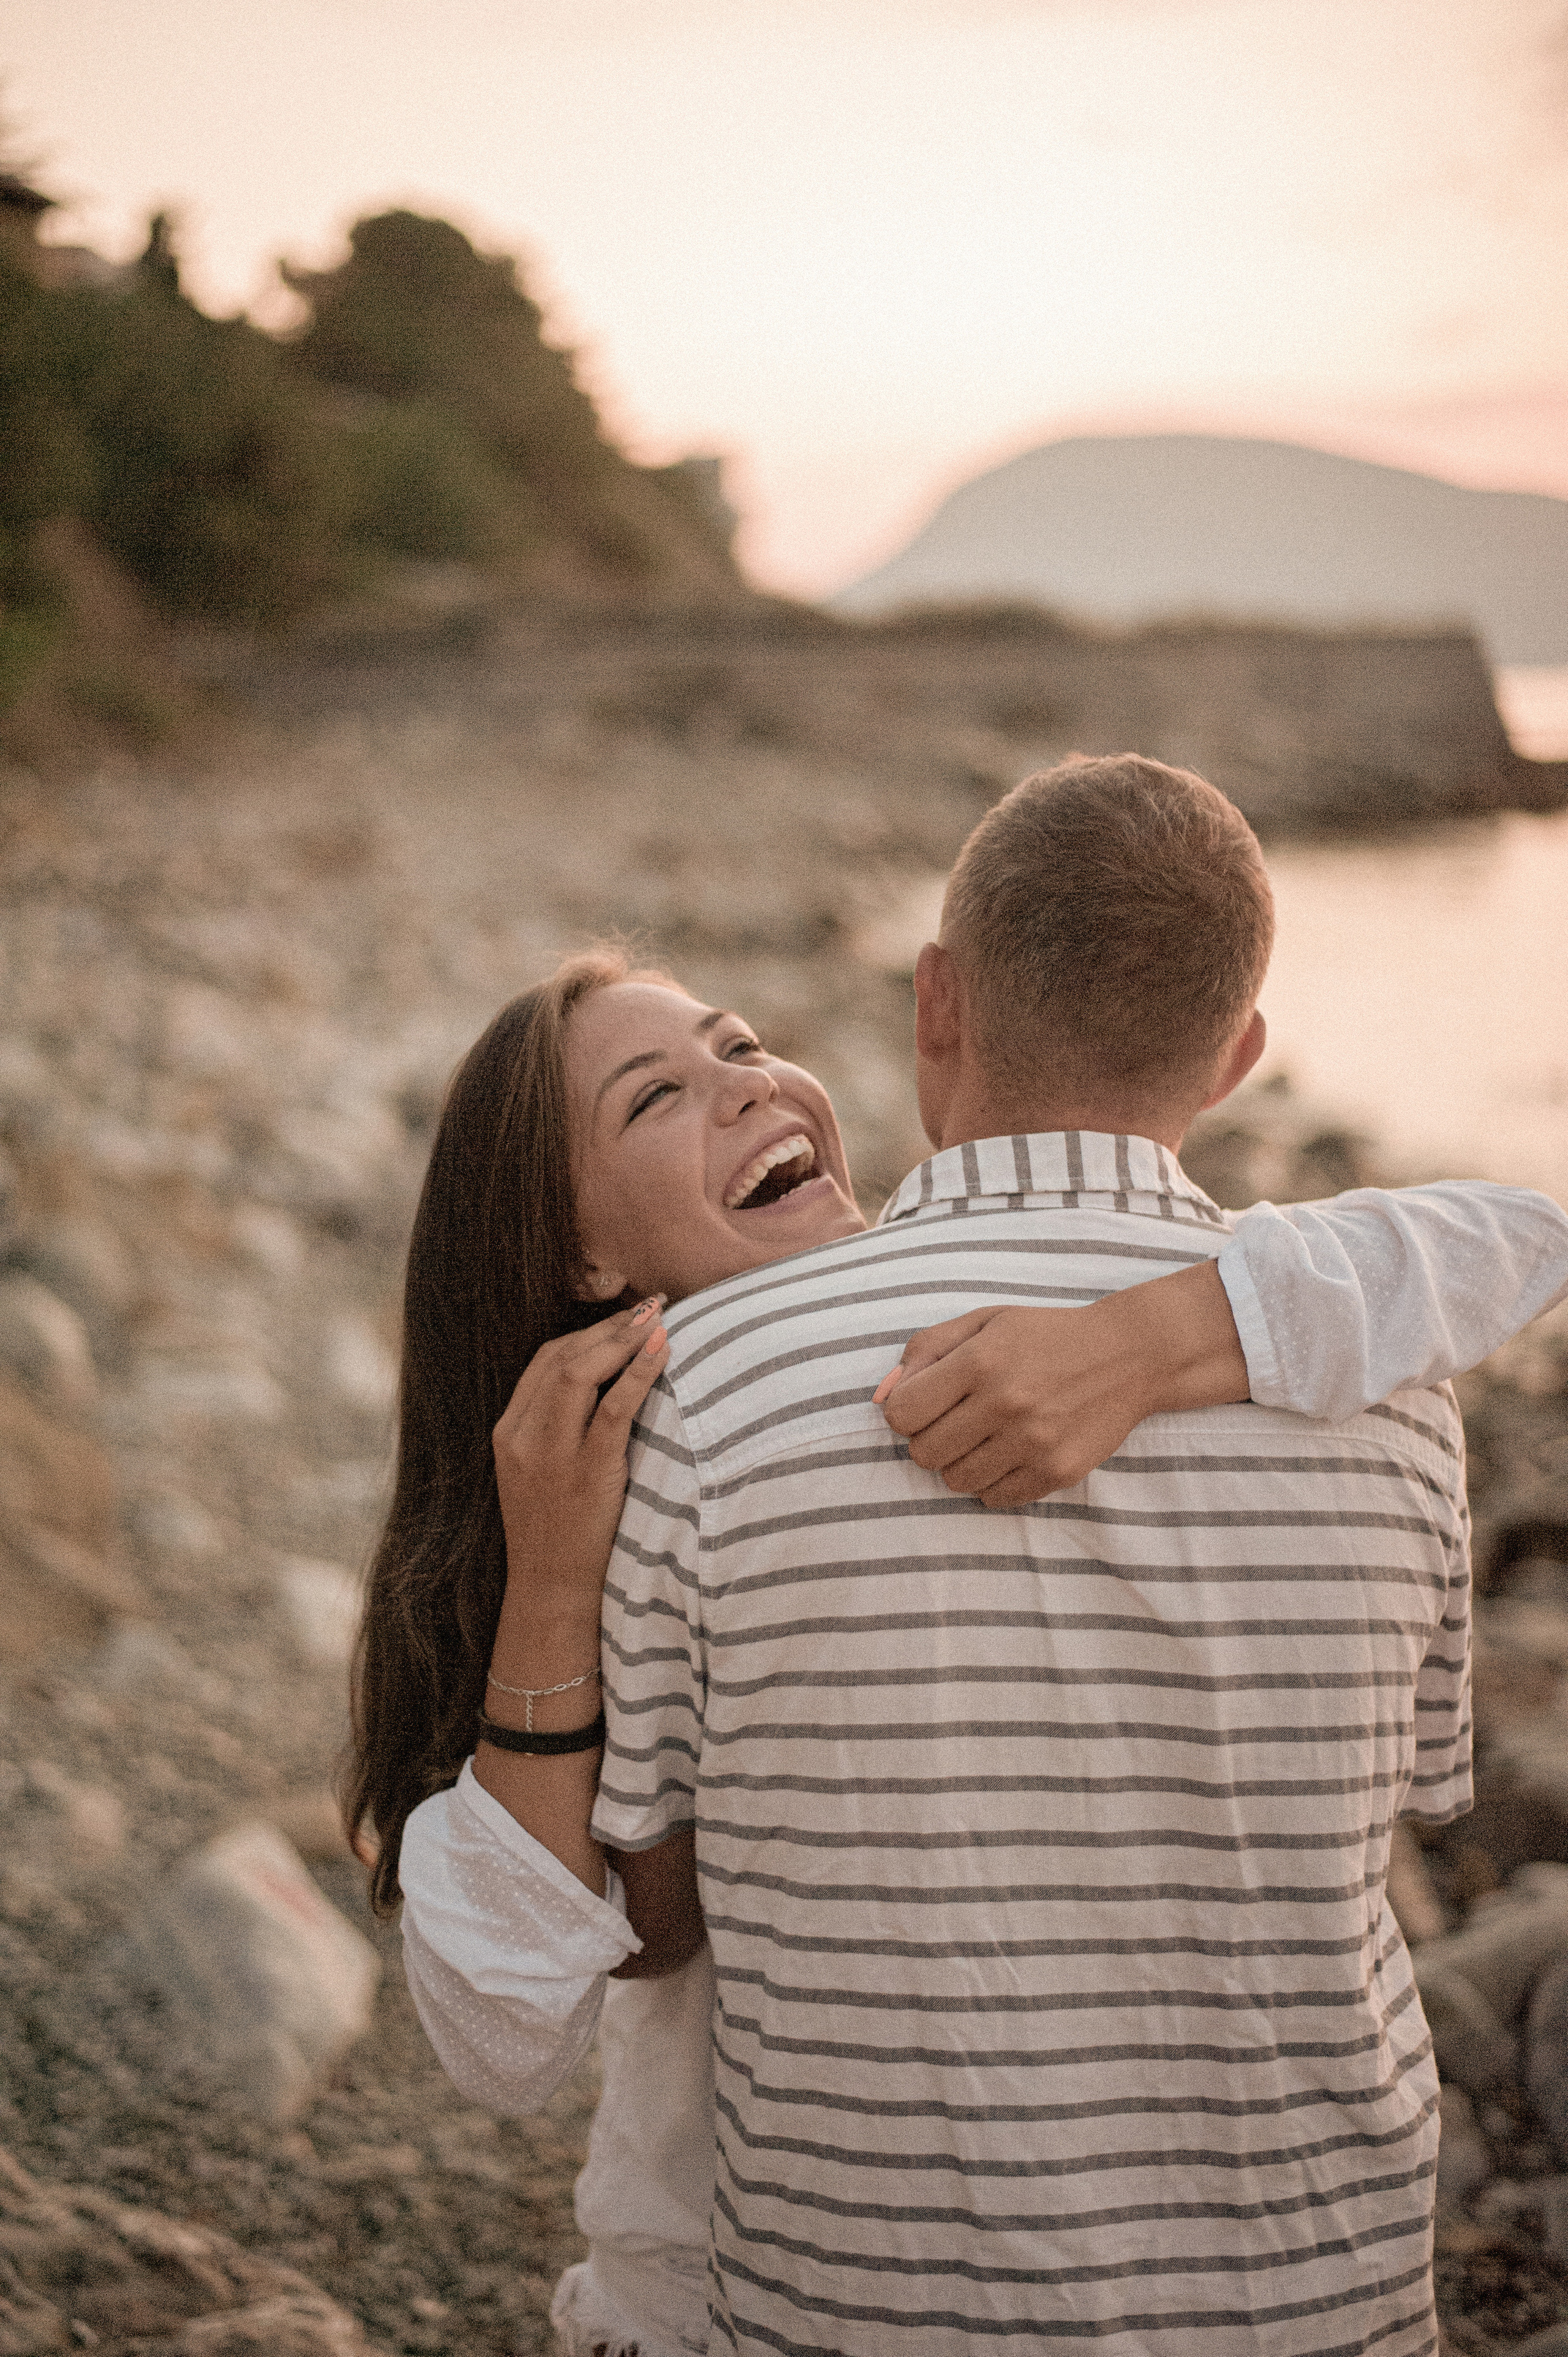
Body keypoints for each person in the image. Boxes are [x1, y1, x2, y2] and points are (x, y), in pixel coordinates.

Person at [353, 808, 1568, 2355]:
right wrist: (547, 1585)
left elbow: (1504, 1236)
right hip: (851, 2269)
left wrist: (1164, 1333)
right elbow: (543, 2002)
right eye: (663, 1093)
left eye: (743, 1044)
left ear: (938, 1006)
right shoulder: (608, 1468)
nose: (748, 1081)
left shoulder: (1211, 1331)